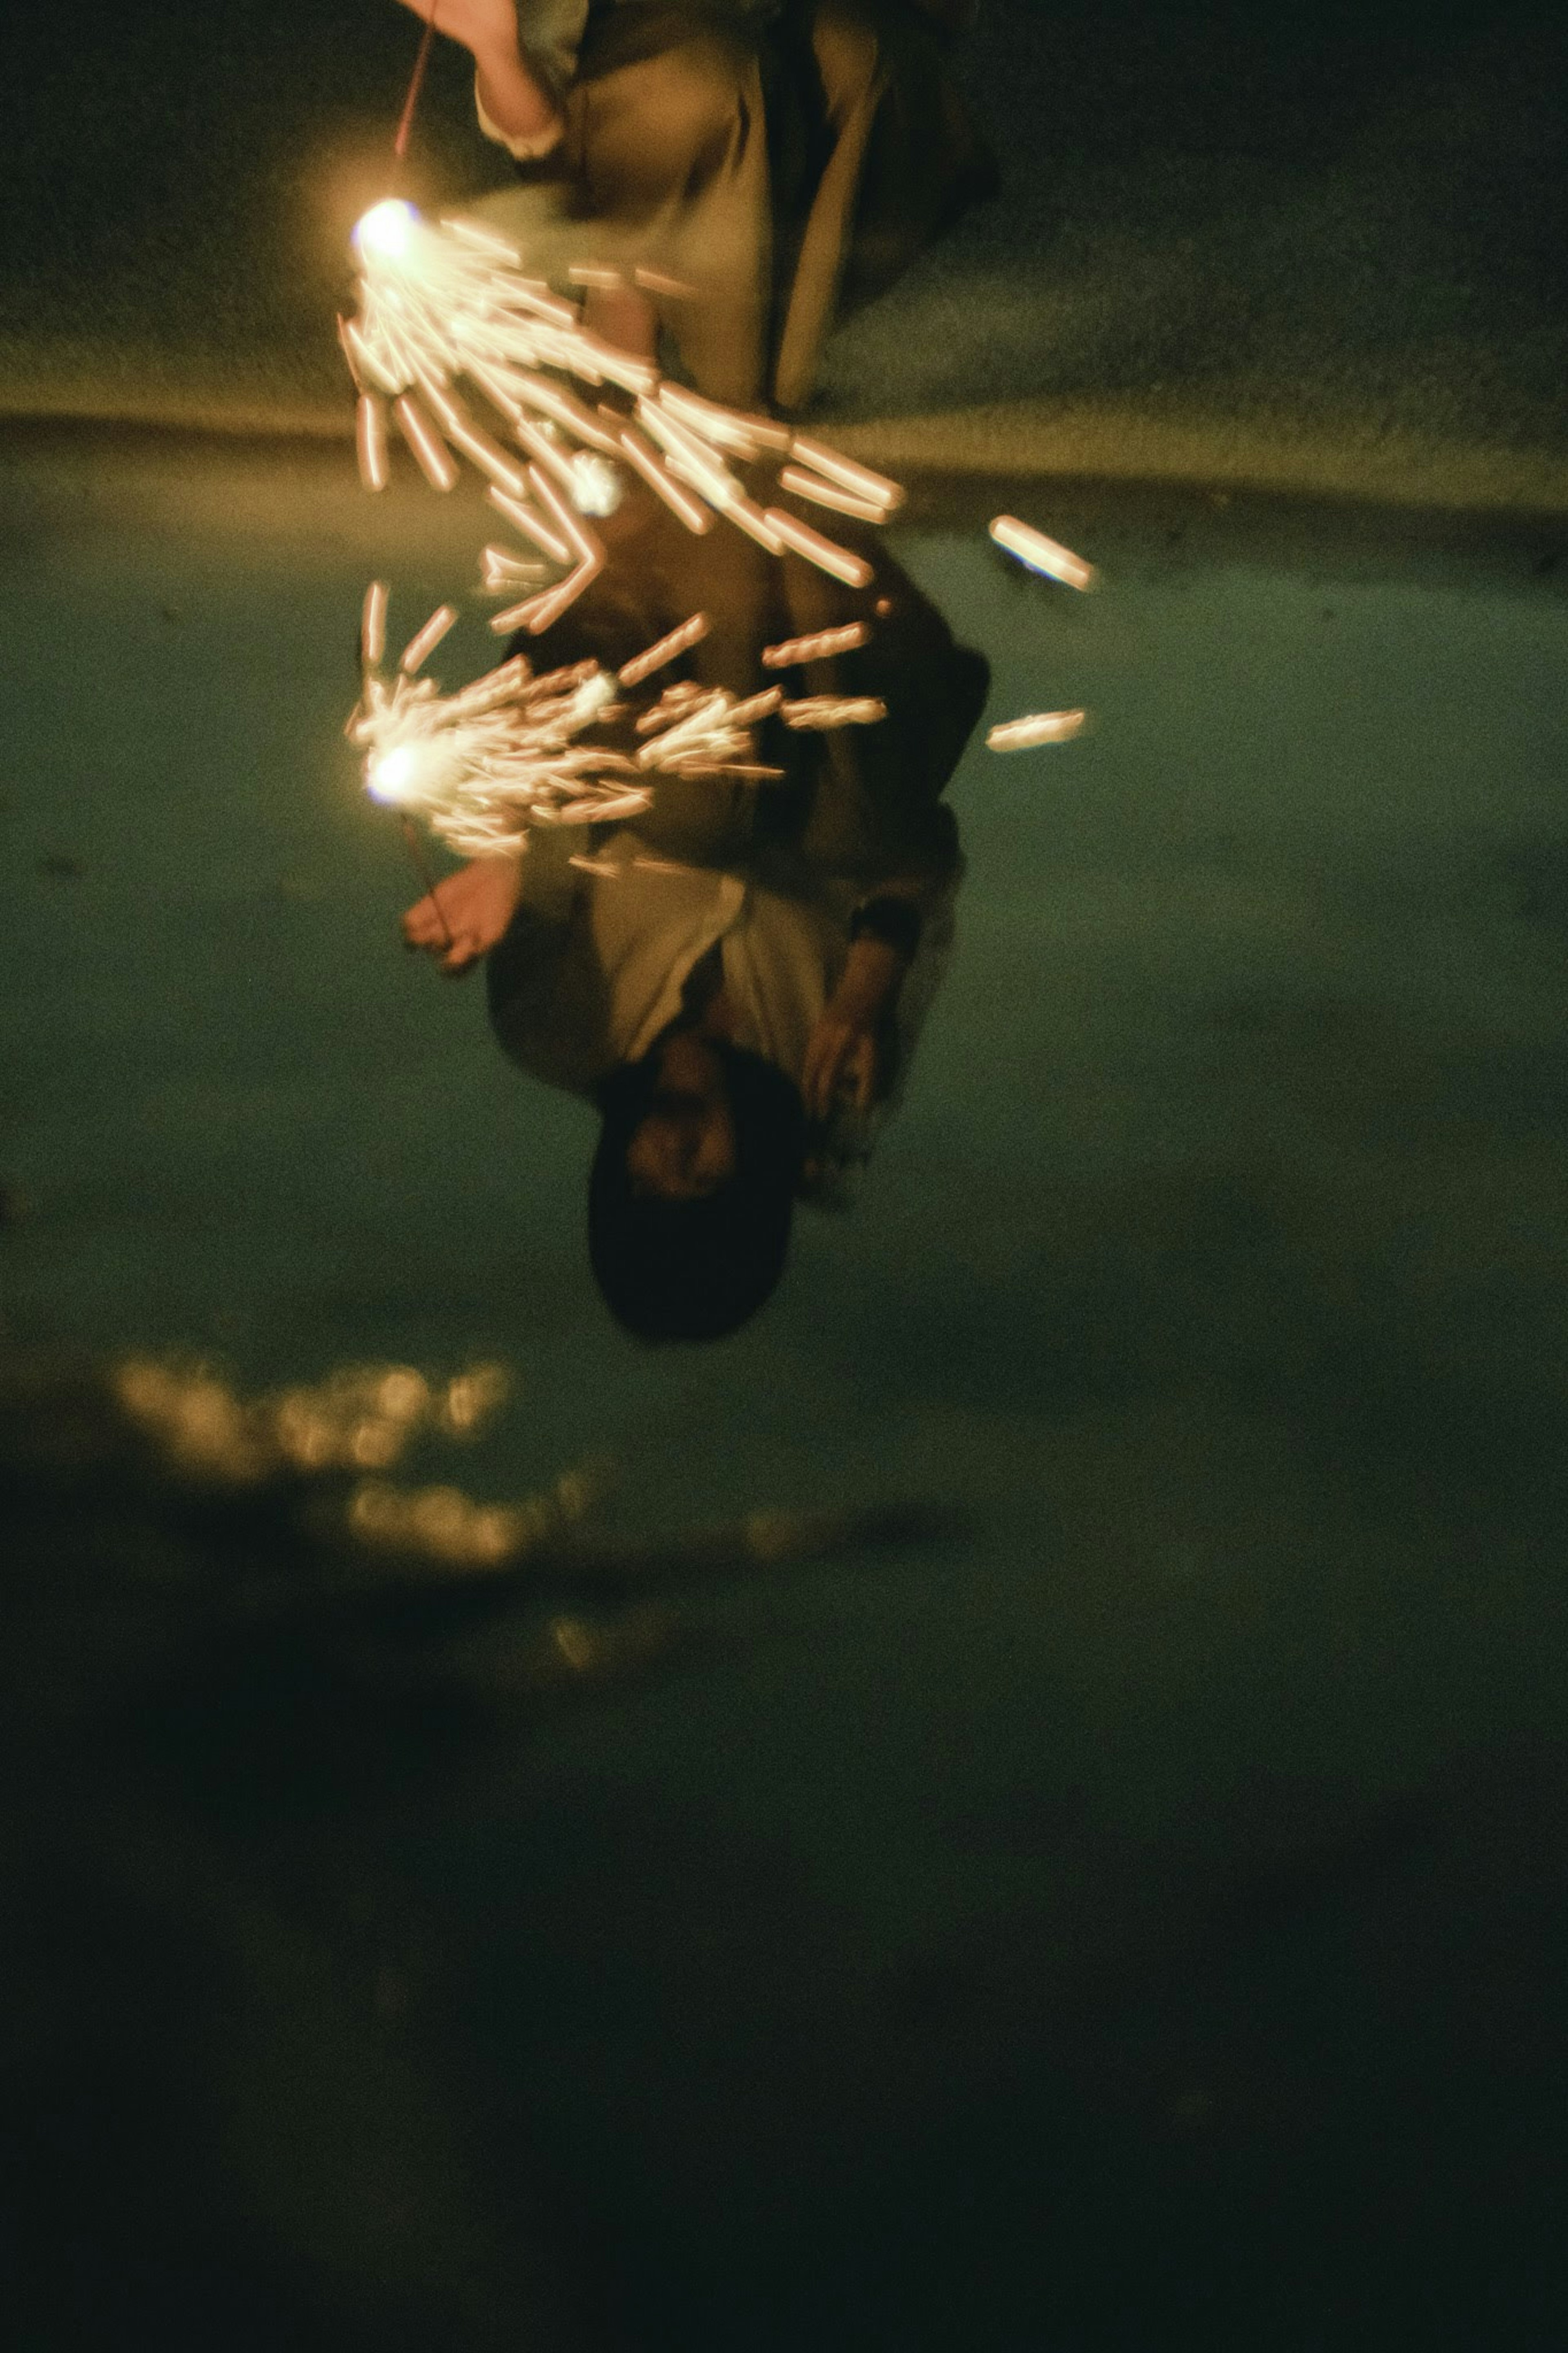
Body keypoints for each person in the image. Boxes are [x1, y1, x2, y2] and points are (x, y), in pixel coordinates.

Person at [399, 483, 989, 1340]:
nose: (670, 1156)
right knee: (842, 841)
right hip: (850, 678)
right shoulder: (838, 1084)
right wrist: (866, 988)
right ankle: (766, 495)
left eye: (647, 1183)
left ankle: (730, 478)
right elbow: (922, 861)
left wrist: (500, 859)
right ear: (753, 1184)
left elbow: (548, 803)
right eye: (702, 1180)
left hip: (639, 642)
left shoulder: (558, 1029)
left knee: (701, 813)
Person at [390, 0, 996, 408]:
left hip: (804, 88)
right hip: (650, 117)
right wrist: (496, 49)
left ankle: (757, 371)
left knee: (862, 58)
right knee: (701, 81)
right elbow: (542, 133)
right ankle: (625, 301)